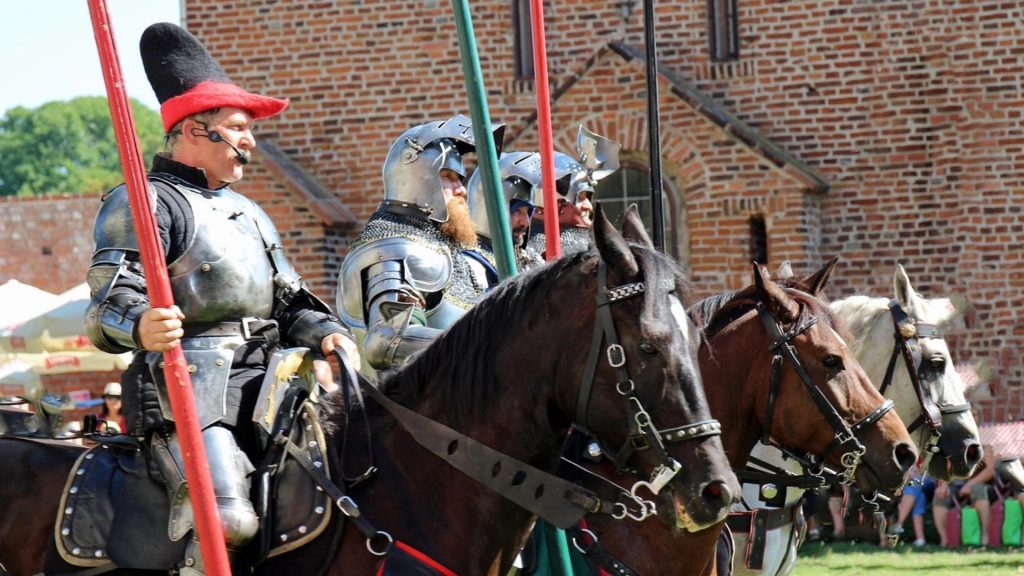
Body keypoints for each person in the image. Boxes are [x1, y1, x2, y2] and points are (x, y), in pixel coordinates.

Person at [85, 22, 358, 574]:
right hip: (188, 386)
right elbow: (107, 303)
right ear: (194, 129)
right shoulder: (145, 202)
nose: (250, 141)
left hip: (272, 384)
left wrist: (326, 332)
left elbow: (288, 302)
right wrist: (141, 326)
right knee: (228, 520)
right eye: (238, 127)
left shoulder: (249, 213)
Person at [335, 115, 503, 374]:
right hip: (398, 409)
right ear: (418, 179)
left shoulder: (444, 249)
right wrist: (482, 347)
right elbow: (388, 340)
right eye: (449, 177)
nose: (461, 190)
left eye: (460, 178)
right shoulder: (395, 249)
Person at [525, 126, 620, 260]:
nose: (589, 206)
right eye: (580, 198)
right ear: (543, 207)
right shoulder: (528, 257)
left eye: (587, 197)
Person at [466, 150, 543, 271]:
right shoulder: (471, 264)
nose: (526, 222)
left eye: (528, 212)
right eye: (517, 211)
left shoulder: (528, 260)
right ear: (490, 211)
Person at [933, 444, 996, 547]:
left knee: (978, 490)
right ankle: (945, 540)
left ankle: (985, 536)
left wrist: (970, 484)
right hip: (959, 484)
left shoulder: (986, 444)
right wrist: (943, 484)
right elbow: (947, 468)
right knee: (940, 496)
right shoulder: (955, 443)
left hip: (983, 485)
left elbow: (990, 470)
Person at [890, 465, 936, 547]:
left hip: (930, 481)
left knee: (914, 484)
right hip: (913, 484)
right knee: (919, 497)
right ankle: (920, 539)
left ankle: (900, 523)